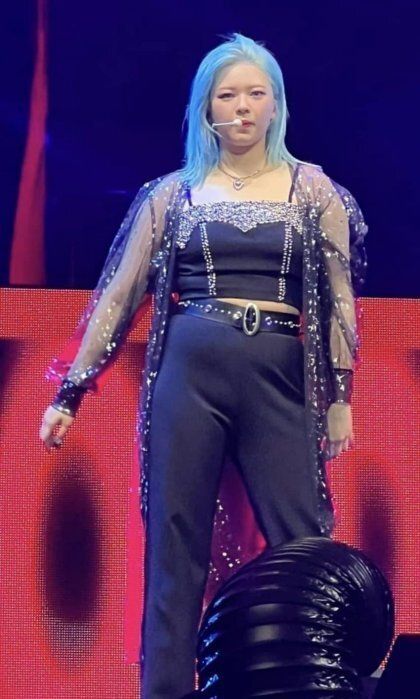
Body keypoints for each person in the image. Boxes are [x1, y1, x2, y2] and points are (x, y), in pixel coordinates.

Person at [40, 33, 368, 699]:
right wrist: (71, 390)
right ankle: (165, 688)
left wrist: (340, 396)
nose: (242, 107)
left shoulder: (314, 191)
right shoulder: (174, 195)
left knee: (304, 538)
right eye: (227, 95)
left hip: (278, 374)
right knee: (175, 541)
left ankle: (311, 684)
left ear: (276, 105)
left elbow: (339, 301)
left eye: (256, 94)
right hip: (189, 374)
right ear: (206, 109)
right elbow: (119, 299)